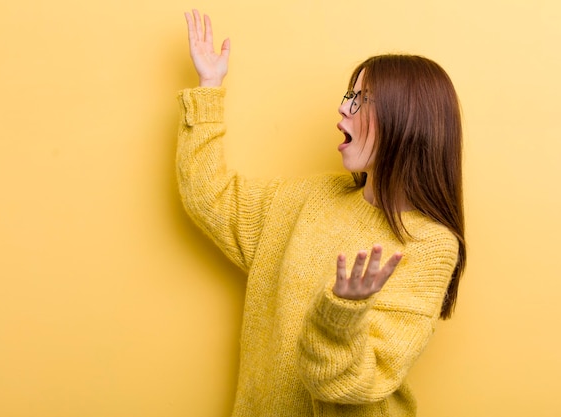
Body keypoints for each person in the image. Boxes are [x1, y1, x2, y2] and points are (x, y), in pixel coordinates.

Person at [177, 9, 466, 417]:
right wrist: (209, 88)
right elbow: (210, 199)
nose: (342, 108)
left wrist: (343, 310)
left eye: (359, 100)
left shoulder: (430, 245)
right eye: (347, 96)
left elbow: (353, 384)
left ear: (405, 121)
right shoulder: (309, 198)